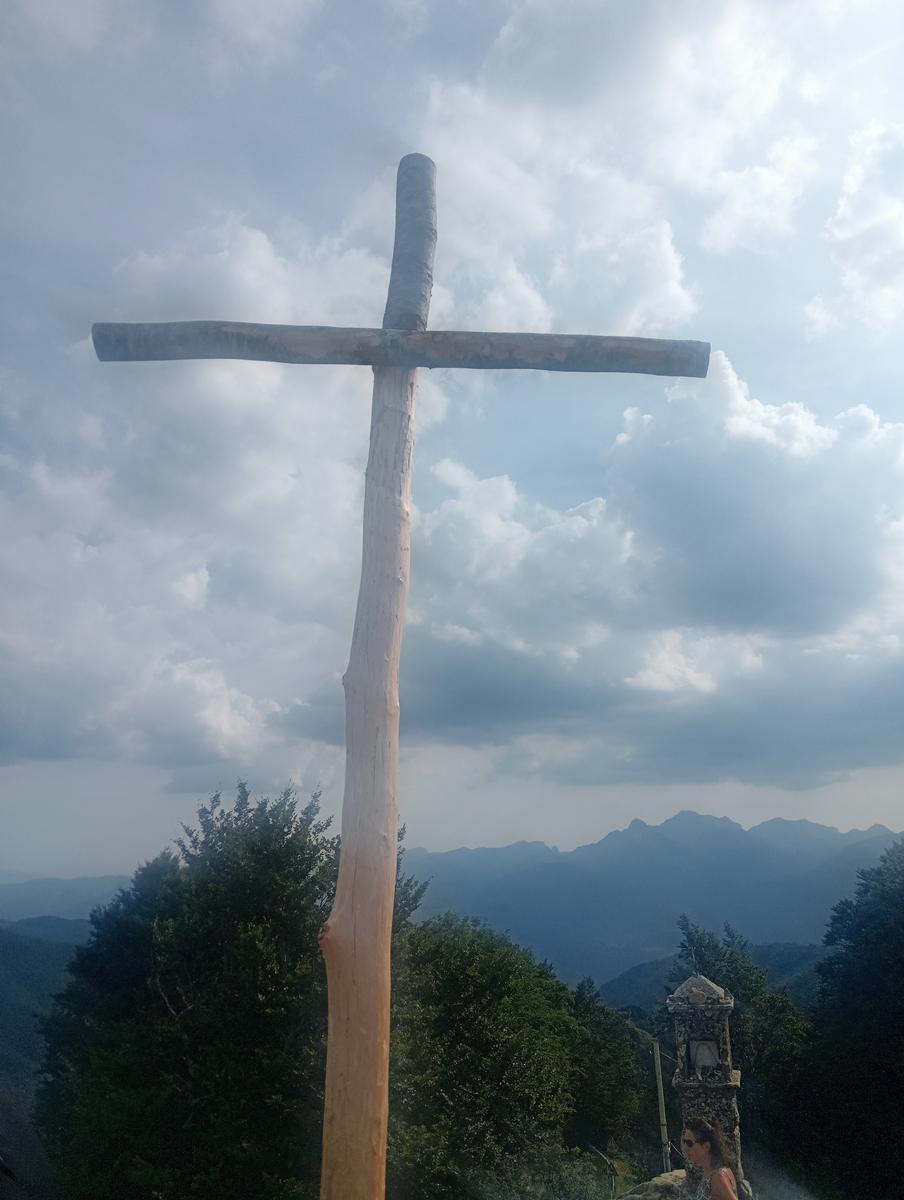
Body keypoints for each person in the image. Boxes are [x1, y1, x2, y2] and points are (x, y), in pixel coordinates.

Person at [677, 1117, 739, 1200]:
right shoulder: (709, 1171)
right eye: (684, 1141)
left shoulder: (718, 1177)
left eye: (689, 1143)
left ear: (706, 1147)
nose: (684, 1148)